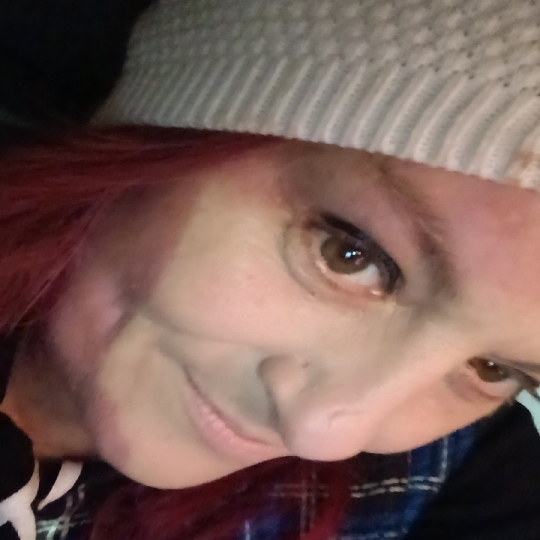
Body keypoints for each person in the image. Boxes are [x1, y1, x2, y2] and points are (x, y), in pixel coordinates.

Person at [2, 0, 540, 539]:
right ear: (170, 124)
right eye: (349, 256)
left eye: (494, 369)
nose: (325, 435)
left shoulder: (459, 473)